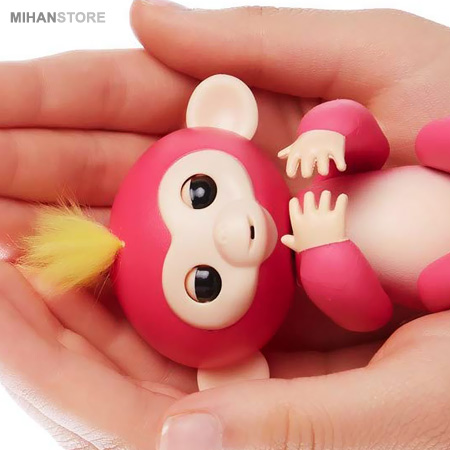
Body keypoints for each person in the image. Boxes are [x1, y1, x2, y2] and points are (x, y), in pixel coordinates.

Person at [1, 2, 450, 449]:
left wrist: (326, 133)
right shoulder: (316, 270)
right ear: (233, 368)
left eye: (201, 193)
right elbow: (368, 313)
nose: (230, 235)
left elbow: (370, 142)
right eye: (205, 281)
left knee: (435, 136)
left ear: (223, 117)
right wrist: (325, 249)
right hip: (439, 276)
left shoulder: (327, 173)